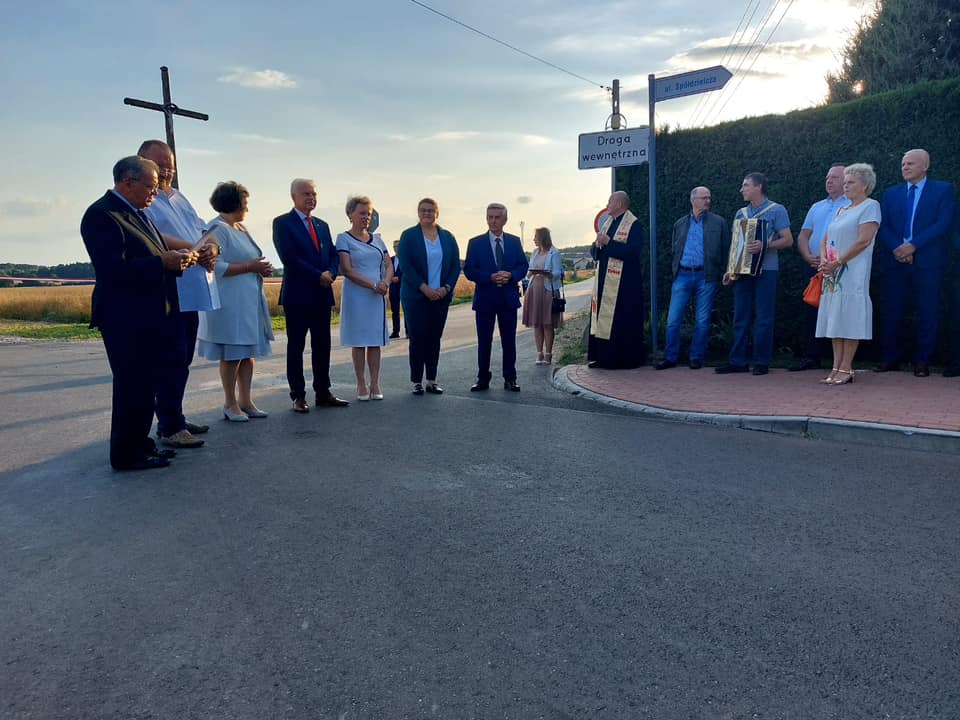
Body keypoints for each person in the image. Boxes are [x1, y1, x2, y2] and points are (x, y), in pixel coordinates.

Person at [80, 156, 199, 470]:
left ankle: (142, 445)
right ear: (127, 183)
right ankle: (127, 453)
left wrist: (175, 259)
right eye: (150, 186)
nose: (155, 194)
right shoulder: (102, 215)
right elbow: (113, 270)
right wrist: (163, 262)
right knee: (132, 386)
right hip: (125, 317)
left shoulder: (138, 213)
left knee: (146, 385)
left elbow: (153, 256)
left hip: (152, 314)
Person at [138, 140, 219, 449]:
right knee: (170, 359)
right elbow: (152, 236)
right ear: (142, 163)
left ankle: (175, 416)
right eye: (160, 166)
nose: (166, 171)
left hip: (193, 290)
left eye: (170, 166)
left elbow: (205, 232)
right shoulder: (145, 200)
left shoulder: (180, 198)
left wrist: (211, 249)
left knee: (182, 359)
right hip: (169, 290)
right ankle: (170, 425)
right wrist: (193, 249)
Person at [875, 149, 957, 377]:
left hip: (928, 261)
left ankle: (922, 361)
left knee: (927, 311)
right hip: (896, 260)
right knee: (892, 310)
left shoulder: (943, 190)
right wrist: (898, 248)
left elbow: (943, 223)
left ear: (925, 166)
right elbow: (883, 225)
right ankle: (890, 358)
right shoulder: (891, 193)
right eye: (903, 163)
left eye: (910, 163)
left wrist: (914, 245)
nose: (905, 167)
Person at [197, 182, 274, 421]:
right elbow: (215, 266)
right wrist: (250, 266)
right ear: (233, 203)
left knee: (247, 353)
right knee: (232, 354)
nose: (247, 208)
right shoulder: (217, 229)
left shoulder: (240, 228)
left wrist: (260, 267)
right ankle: (230, 404)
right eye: (244, 203)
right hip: (230, 302)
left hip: (248, 301)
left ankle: (246, 400)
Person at [272, 179, 349, 413]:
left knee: (322, 345)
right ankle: (298, 395)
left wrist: (332, 273)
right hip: (298, 295)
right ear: (293, 196)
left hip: (322, 295)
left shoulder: (321, 225)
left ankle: (323, 392)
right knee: (296, 346)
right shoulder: (283, 223)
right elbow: (289, 257)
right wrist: (318, 275)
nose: (311, 198)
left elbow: (333, 255)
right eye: (306, 194)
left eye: (314, 194)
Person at [715, 173, 793, 376]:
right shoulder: (740, 213)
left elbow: (788, 240)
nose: (742, 189)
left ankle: (761, 362)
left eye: (746, 185)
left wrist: (764, 245)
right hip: (742, 271)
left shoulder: (777, 210)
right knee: (740, 316)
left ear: (758, 187)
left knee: (764, 317)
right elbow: (736, 245)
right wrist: (730, 271)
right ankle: (737, 361)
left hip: (767, 270)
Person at [815, 164, 881, 385]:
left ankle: (846, 367)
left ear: (865, 185)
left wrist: (838, 262)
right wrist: (824, 260)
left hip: (853, 272)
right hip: (832, 272)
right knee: (835, 317)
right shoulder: (841, 209)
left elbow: (864, 240)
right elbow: (826, 238)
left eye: (850, 182)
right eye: (844, 182)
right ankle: (836, 367)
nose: (845, 186)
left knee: (850, 316)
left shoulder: (871, 206)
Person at [656, 186, 729, 370]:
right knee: (673, 320)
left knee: (702, 320)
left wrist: (726, 271)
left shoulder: (718, 222)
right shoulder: (680, 224)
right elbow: (675, 248)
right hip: (682, 274)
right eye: (704, 198)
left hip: (706, 275)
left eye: (709, 198)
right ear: (693, 200)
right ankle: (670, 357)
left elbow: (725, 249)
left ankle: (696, 357)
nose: (708, 201)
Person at [396, 198, 461, 395]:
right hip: (416, 296)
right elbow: (406, 265)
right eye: (423, 210)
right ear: (418, 213)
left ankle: (432, 380)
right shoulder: (409, 236)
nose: (427, 213)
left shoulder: (447, 237)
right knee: (417, 337)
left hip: (440, 296)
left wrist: (446, 288)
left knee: (434, 338)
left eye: (431, 210)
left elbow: (455, 266)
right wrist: (424, 288)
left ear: (437, 213)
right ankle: (416, 381)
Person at [463, 203, 529, 391]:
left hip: (508, 299)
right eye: (490, 217)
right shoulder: (475, 243)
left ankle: (510, 378)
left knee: (509, 341)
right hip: (485, 299)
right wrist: (489, 277)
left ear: (505, 220)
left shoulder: (514, 242)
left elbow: (523, 266)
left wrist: (511, 275)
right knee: (484, 341)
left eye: (497, 217)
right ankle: (483, 378)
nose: (493, 221)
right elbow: (469, 270)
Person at [791, 164, 850, 372]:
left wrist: (836, 260)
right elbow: (803, 235)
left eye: (834, 177)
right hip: (816, 266)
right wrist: (808, 256)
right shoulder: (817, 207)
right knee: (812, 310)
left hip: (840, 267)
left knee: (839, 312)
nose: (829, 181)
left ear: (846, 180)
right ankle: (811, 356)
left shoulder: (852, 205)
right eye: (827, 177)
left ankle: (840, 361)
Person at [336, 195, 392, 400]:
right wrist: (372, 285)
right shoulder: (343, 239)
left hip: (377, 296)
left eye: (368, 214)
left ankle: (375, 383)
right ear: (350, 214)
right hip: (357, 294)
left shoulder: (378, 240)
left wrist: (385, 282)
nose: (365, 218)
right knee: (359, 340)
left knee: (374, 340)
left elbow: (389, 264)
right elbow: (347, 269)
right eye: (361, 213)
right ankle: (361, 383)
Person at [588, 190, 646, 369]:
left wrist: (608, 243)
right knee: (604, 319)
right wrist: (597, 245)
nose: (607, 205)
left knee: (622, 320)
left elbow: (632, 252)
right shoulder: (608, 223)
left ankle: (624, 360)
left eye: (610, 202)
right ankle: (603, 358)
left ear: (619, 204)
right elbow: (597, 251)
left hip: (625, 284)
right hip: (604, 280)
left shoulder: (634, 225)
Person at [521, 227, 564, 365]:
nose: (534, 239)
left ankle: (548, 354)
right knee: (537, 323)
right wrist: (531, 272)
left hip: (548, 290)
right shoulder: (535, 252)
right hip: (534, 288)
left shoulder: (554, 253)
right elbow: (528, 271)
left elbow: (558, 273)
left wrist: (547, 273)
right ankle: (539, 353)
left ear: (543, 238)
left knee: (547, 323)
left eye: (536, 237)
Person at [389, 239, 403, 339]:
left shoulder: (406, 258)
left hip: (403, 286)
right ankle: (395, 331)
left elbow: (408, 272)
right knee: (395, 310)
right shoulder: (391, 260)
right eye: (394, 247)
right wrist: (390, 278)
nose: (396, 248)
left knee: (406, 310)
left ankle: (409, 331)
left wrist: (399, 278)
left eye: (398, 246)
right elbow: (386, 271)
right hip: (393, 287)